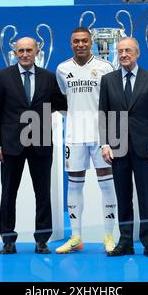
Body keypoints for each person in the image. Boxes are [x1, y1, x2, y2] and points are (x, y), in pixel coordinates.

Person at [0, 37, 67, 254]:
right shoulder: (2, 76)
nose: (24, 54)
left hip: (41, 142)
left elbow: (62, 104)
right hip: (11, 144)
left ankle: (42, 240)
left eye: (28, 50)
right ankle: (8, 240)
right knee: (8, 194)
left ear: (37, 52)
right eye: (20, 50)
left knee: (43, 193)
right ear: (15, 53)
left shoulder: (49, 77)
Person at [99, 37, 148, 257]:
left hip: (145, 148)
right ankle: (125, 241)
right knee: (123, 197)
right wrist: (105, 144)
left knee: (146, 196)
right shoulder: (108, 80)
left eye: (128, 50)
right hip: (117, 148)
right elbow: (104, 115)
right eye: (120, 51)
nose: (123, 54)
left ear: (137, 53)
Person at [55, 27, 117, 254]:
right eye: (75, 41)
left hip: (101, 135)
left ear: (91, 43)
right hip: (74, 134)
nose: (80, 45)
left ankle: (109, 235)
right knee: (74, 183)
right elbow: (63, 99)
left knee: (107, 183)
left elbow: (113, 100)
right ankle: (76, 237)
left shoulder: (106, 67)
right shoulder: (62, 69)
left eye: (84, 41)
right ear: (70, 43)